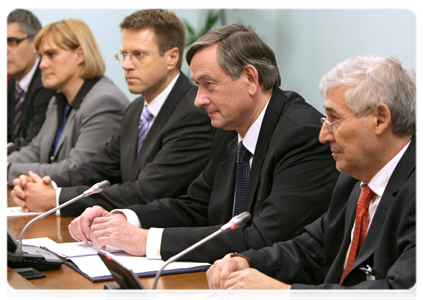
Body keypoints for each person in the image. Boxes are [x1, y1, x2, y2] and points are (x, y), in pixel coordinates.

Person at [68, 24, 339, 263]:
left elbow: (263, 237)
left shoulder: (302, 136)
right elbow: (196, 205)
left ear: (250, 79)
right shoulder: (228, 129)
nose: (199, 99)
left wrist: (144, 241)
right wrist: (123, 219)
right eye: (197, 85)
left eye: (209, 84)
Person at [206, 55, 419, 300]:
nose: (323, 135)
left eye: (334, 119)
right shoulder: (353, 181)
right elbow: (310, 251)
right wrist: (245, 261)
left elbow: (400, 292)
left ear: (380, 119)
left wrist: (284, 294)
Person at [11, 9, 214, 215]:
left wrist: (54, 199)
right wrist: (41, 186)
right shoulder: (135, 109)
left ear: (172, 58)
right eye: (124, 54)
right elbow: (96, 169)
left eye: (138, 54)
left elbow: (146, 192)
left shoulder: (193, 112)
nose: (126, 65)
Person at [5, 19, 129, 187]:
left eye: (51, 54)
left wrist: (9, 169)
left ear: (79, 55)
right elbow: (36, 150)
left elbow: (77, 169)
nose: (42, 65)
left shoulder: (104, 102)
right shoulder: (58, 99)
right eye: (41, 56)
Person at [5, 8, 56, 152]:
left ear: (35, 44)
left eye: (11, 41)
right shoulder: (14, 82)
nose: (3, 50)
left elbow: (32, 147)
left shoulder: (48, 82)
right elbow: (7, 136)